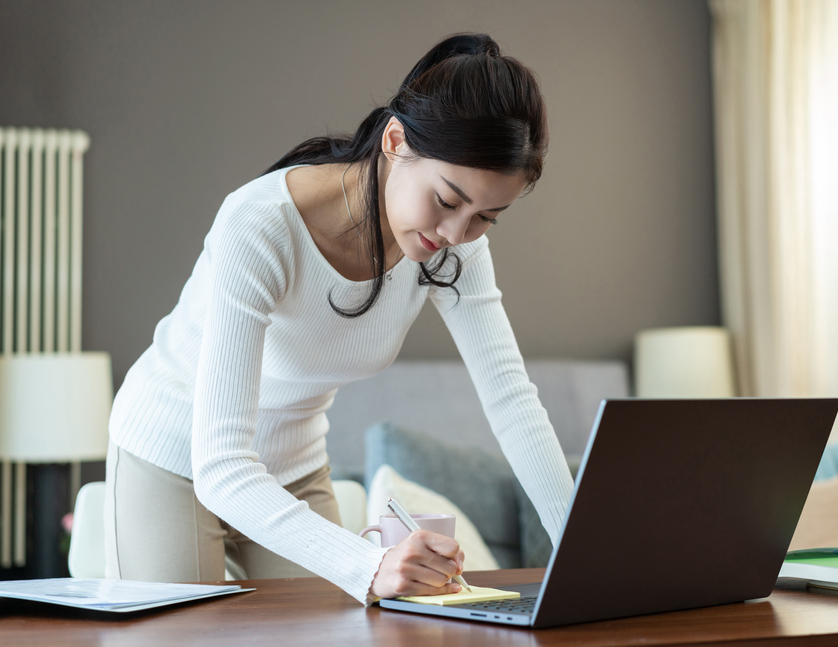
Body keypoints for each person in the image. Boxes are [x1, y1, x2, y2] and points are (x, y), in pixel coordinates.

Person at [104, 33, 575, 605]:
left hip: (292, 470)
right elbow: (222, 466)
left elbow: (511, 400)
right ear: (396, 141)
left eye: (485, 218)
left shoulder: (454, 245)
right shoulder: (260, 225)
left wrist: (579, 553)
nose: (456, 234)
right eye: (448, 201)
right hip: (175, 456)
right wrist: (370, 565)